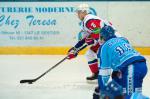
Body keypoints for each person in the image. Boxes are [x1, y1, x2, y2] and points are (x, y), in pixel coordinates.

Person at [96, 25, 148, 99]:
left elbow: (104, 74)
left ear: (102, 37)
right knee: (122, 87)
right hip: (141, 65)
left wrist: (102, 90)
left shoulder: (104, 47)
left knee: (131, 96)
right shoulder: (123, 39)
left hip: (131, 68)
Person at [67, 3, 113, 81]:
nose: (77, 14)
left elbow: (100, 31)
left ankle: (113, 73)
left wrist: (93, 39)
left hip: (110, 39)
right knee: (90, 54)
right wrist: (75, 49)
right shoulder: (85, 22)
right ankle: (96, 73)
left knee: (103, 56)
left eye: (79, 12)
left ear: (84, 12)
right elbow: (84, 39)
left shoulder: (89, 20)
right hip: (104, 40)